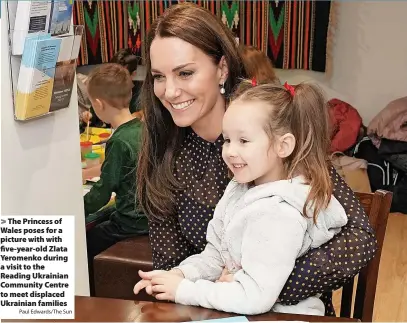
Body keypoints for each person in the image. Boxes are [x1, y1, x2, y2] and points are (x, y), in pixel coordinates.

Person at [134, 3, 377, 315]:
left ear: (221, 69)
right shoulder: (164, 150)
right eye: (158, 76)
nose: (169, 91)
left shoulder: (270, 128)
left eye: (185, 73)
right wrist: (193, 283)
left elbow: (359, 238)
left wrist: (261, 287)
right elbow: (172, 266)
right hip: (210, 309)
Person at [134, 81, 349, 316]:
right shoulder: (239, 189)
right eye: (227, 140)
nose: (230, 151)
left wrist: (185, 290)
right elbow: (217, 254)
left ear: (283, 146)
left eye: (243, 141)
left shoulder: (279, 214)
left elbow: (254, 298)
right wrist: (181, 274)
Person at [84, 63, 148, 295]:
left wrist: (76, 209)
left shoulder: (119, 141)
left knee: (88, 239)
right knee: (101, 216)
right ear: (130, 94)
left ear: (98, 104)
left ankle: (90, 295)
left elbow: (102, 192)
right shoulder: (143, 128)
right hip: (148, 215)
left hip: (132, 222)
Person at [78, 48, 142, 130]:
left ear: (133, 74)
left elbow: (146, 112)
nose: (115, 79)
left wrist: (137, 115)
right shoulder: (105, 85)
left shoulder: (141, 90)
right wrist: (89, 115)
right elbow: (96, 111)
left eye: (122, 75)